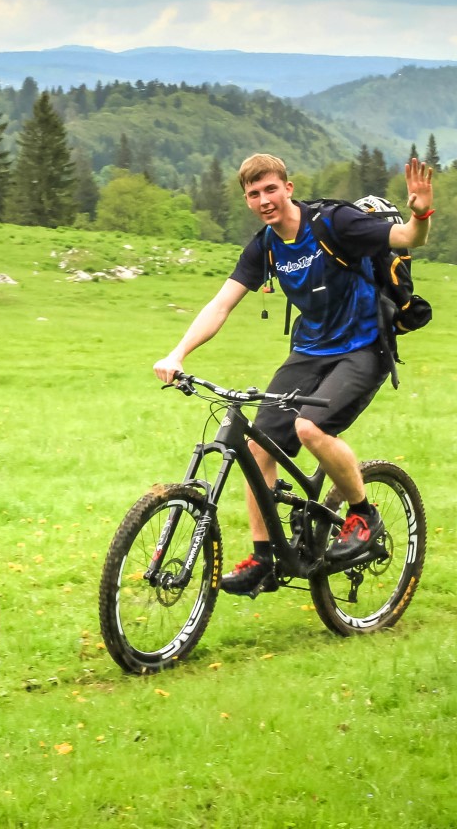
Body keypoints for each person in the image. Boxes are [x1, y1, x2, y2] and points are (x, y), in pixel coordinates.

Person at [151, 153, 433, 596]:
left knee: (309, 428)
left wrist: (420, 212)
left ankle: (364, 515)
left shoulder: (334, 224)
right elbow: (221, 304)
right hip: (309, 352)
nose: (264, 200)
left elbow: (406, 236)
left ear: (288, 187)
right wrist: (178, 352)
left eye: (270, 189)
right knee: (256, 445)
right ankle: (264, 558)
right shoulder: (266, 244)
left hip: (363, 347)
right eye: (253, 194)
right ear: (247, 200)